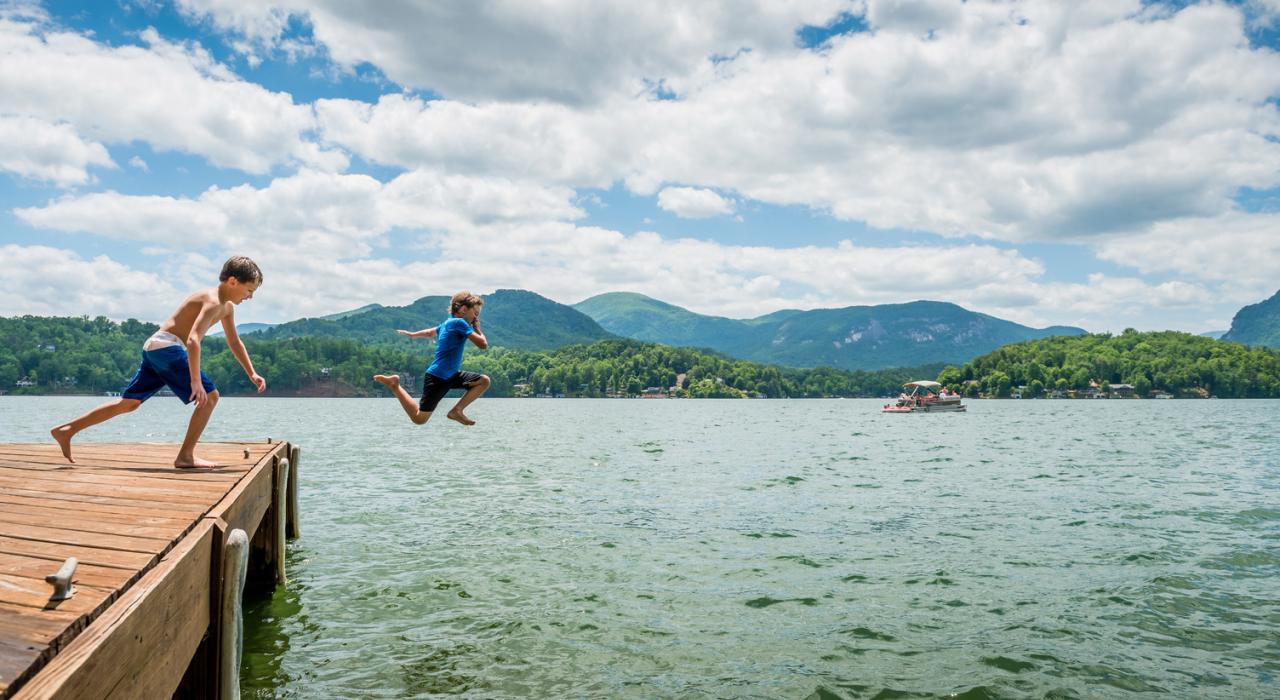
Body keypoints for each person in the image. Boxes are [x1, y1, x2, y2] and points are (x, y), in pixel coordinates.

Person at [50, 256, 267, 468]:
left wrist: (251, 373)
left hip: (156, 347)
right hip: (167, 347)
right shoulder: (212, 301)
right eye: (249, 290)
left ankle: (68, 429)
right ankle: (186, 457)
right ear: (232, 281)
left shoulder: (226, 307)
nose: (250, 297)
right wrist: (195, 382)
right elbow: (193, 340)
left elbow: (235, 342)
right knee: (210, 397)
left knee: (129, 403)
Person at [373, 291, 490, 426]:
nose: (475, 318)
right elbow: (483, 344)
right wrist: (478, 329)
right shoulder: (459, 323)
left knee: (483, 381)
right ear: (463, 310)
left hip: (451, 375)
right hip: (438, 377)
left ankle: (457, 411)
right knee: (419, 419)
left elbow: (430, 332)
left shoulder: (447, 323)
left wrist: (412, 335)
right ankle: (395, 385)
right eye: (475, 314)